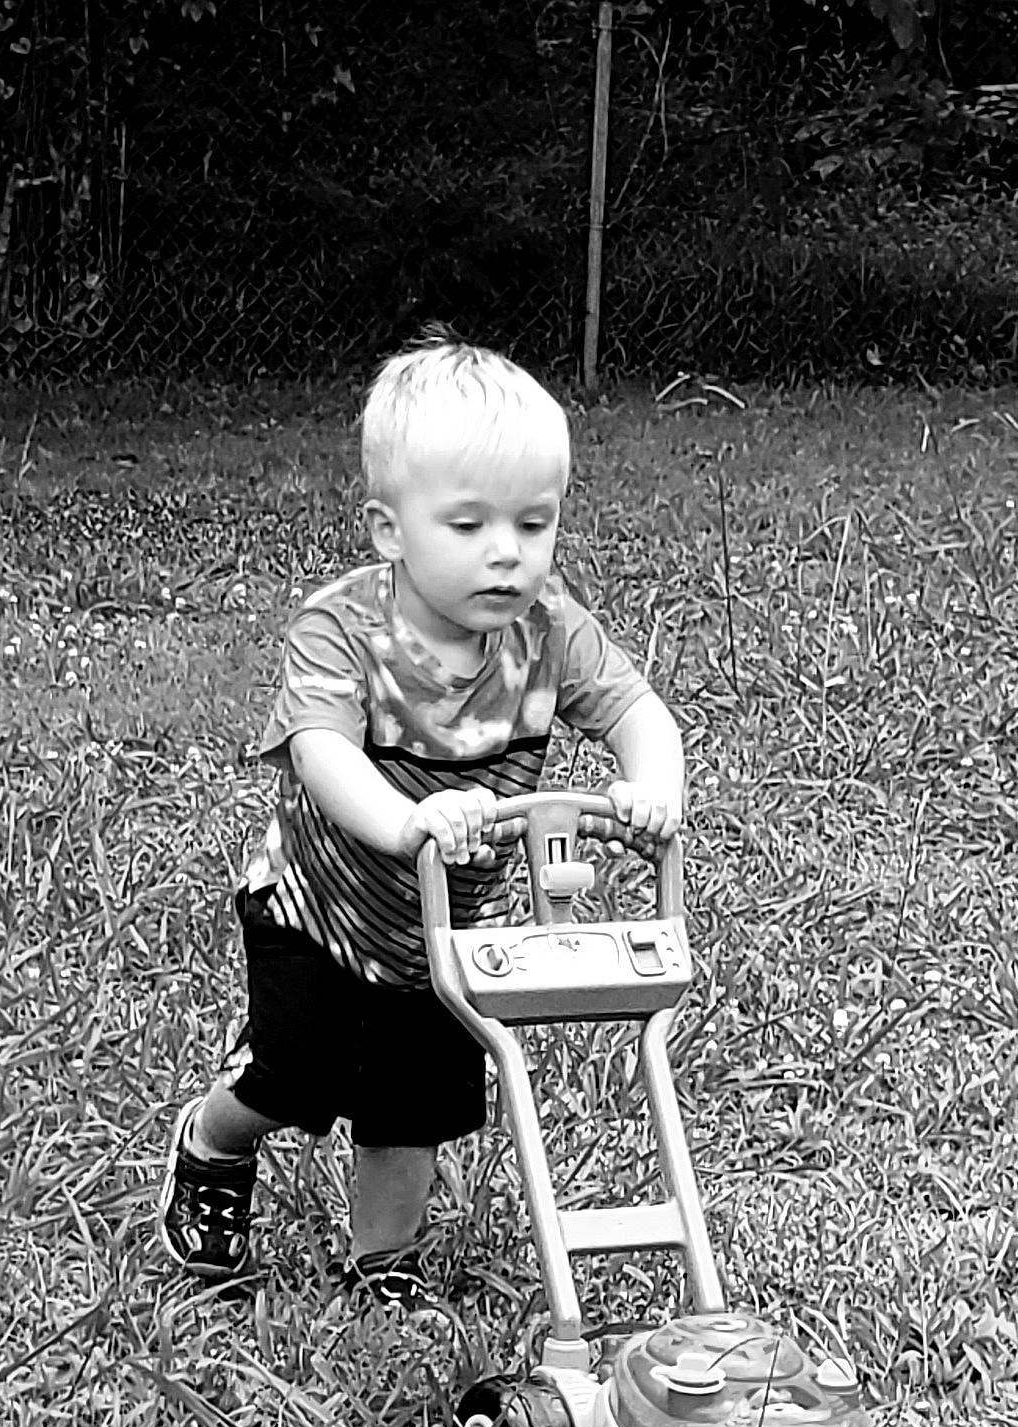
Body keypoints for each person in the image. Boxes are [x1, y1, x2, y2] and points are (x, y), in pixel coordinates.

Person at [158, 333, 685, 1303]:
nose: (507, 552)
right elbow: (322, 753)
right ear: (390, 530)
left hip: (448, 931)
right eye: (470, 524)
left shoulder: (550, 631)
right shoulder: (342, 629)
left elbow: (636, 711)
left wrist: (652, 781)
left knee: (412, 1107)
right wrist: (406, 820)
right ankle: (211, 1140)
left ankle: (382, 1262)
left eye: (534, 524)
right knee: (293, 1079)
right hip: (317, 911)